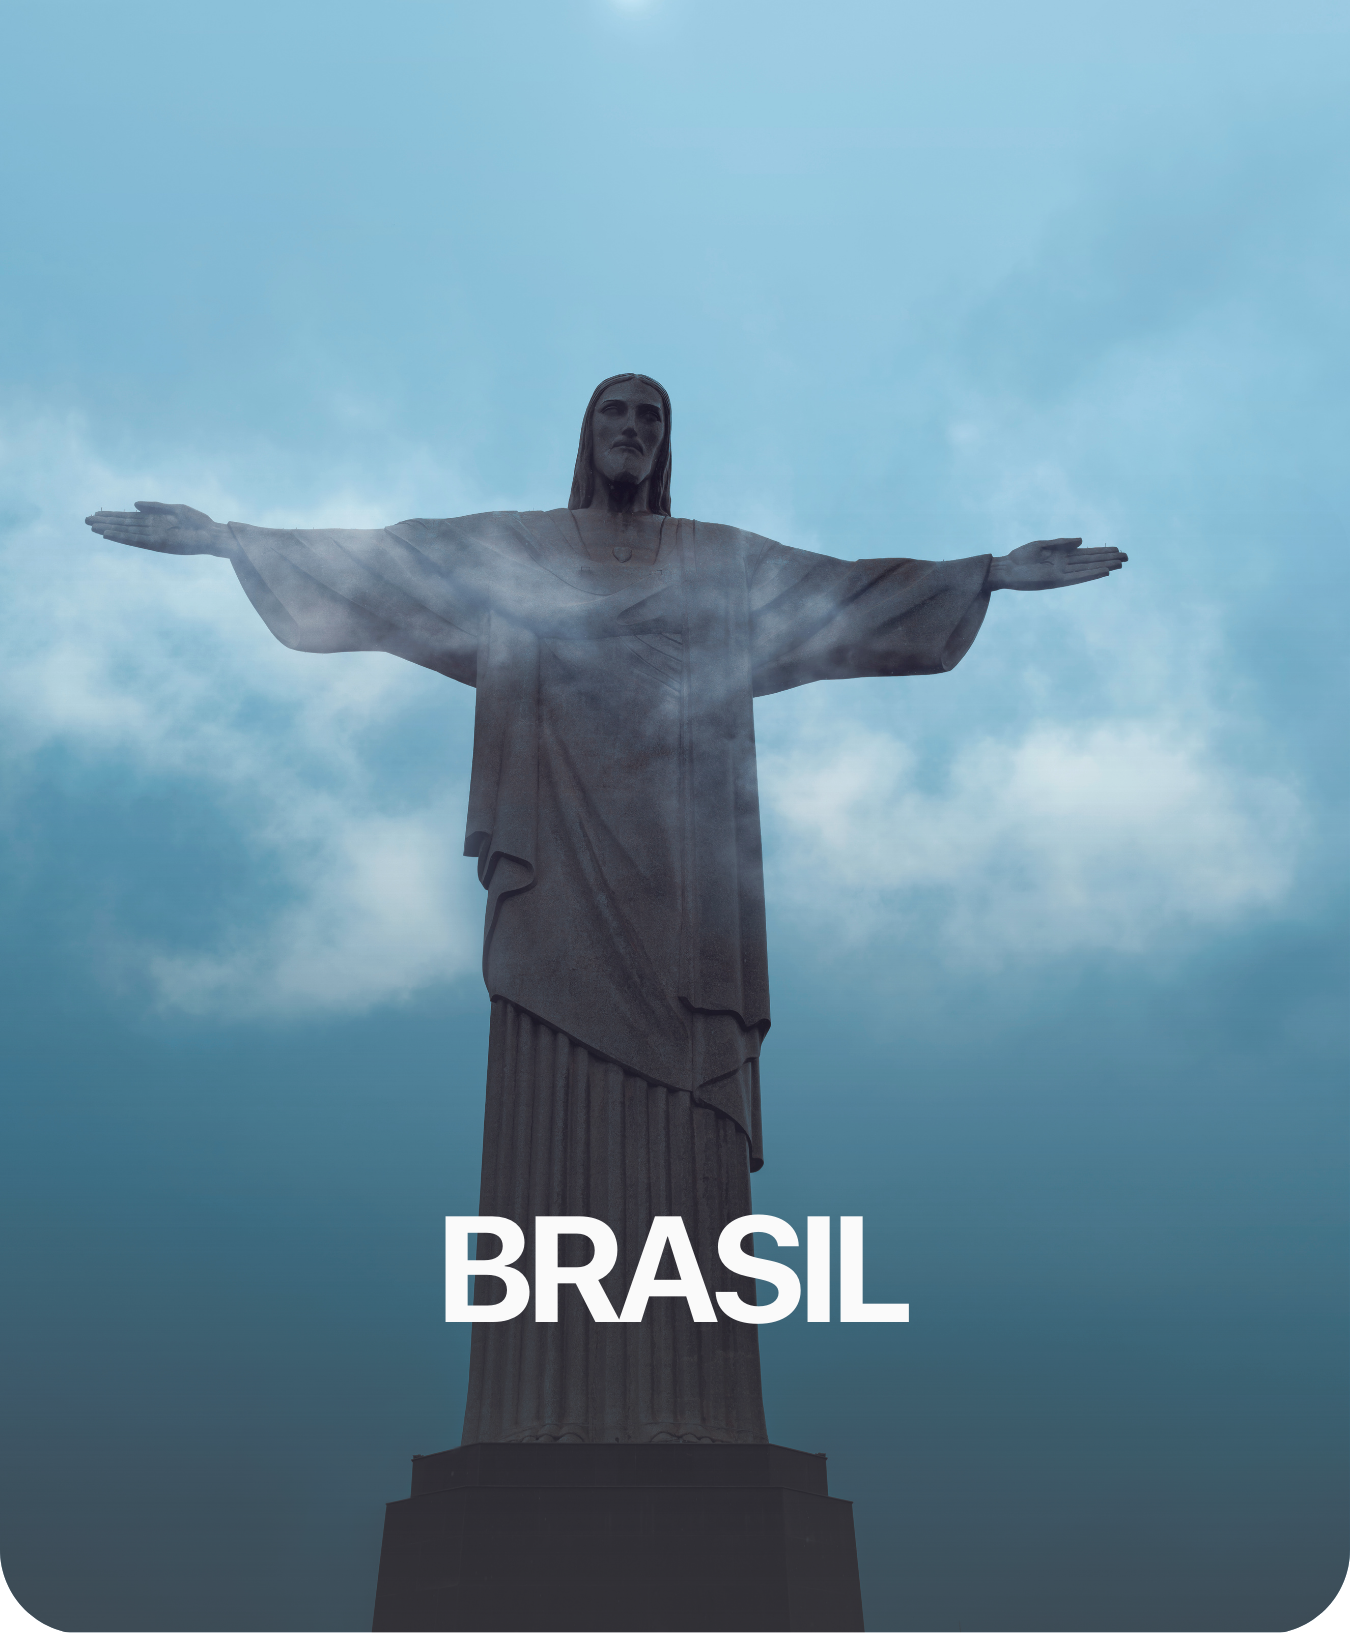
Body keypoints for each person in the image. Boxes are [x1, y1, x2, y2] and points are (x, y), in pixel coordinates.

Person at [87, 372, 1126, 1446]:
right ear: (586, 434)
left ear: (667, 440)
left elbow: (844, 596)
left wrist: (988, 574)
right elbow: (387, 564)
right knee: (551, 1103)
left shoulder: (720, 561)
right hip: (558, 861)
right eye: (613, 414)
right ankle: (533, 1413)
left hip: (684, 872)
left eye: (651, 416)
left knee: (683, 1115)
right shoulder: (517, 551)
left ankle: (695, 1416)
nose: (631, 429)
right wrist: (229, 541)